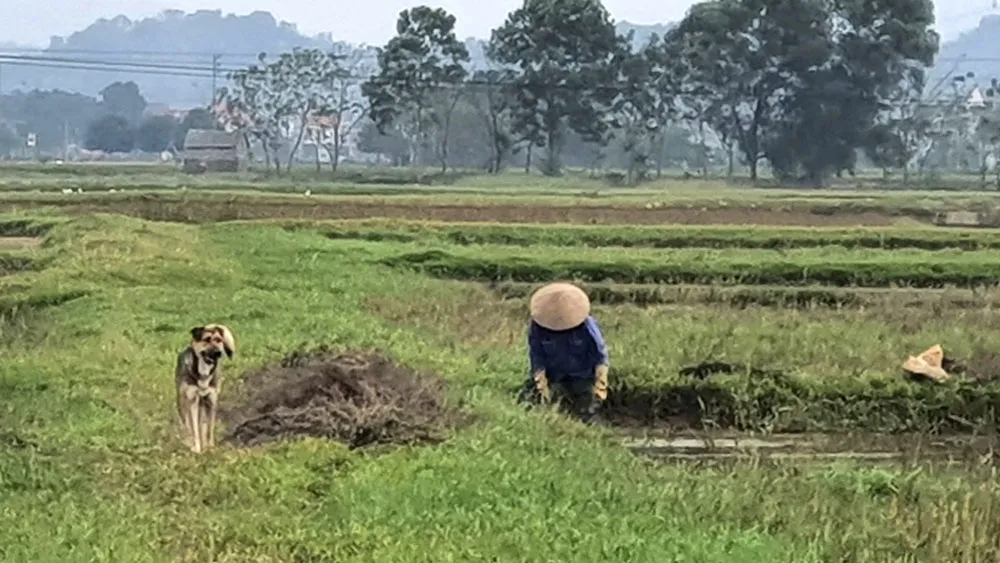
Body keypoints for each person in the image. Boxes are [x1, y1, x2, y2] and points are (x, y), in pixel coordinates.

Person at [518, 282, 609, 423]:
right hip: (553, 374)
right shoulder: (538, 327)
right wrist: (541, 382)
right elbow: (536, 355)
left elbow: (600, 355)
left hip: (582, 374)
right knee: (528, 398)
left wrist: (600, 383)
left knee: (587, 408)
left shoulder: (585, 326)